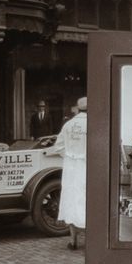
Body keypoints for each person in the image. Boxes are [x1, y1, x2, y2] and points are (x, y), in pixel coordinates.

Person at [52, 94, 88, 251]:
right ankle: (91, 240)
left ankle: (73, 241)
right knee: (87, 199)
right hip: (87, 166)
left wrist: (70, 154)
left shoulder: (68, 125)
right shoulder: (93, 124)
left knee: (72, 200)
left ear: (77, 109)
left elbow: (58, 146)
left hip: (71, 167)